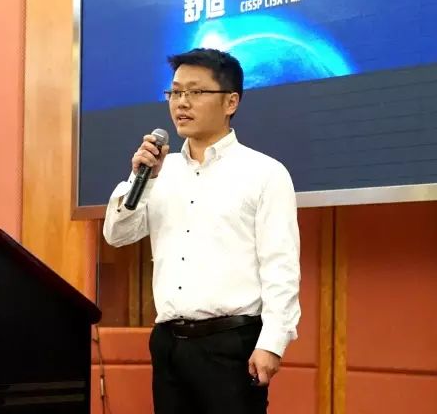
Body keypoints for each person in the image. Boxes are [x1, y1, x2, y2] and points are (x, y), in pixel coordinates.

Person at [103, 48, 301, 414]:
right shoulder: (160, 171)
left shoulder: (264, 173)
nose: (182, 103)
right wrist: (140, 178)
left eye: (195, 92)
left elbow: (281, 267)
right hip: (168, 343)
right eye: (175, 92)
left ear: (230, 102)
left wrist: (272, 343)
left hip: (231, 344)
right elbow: (117, 235)